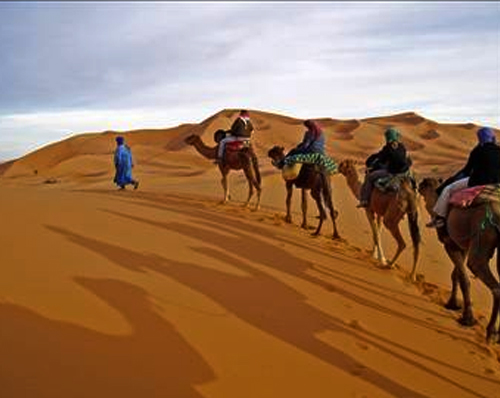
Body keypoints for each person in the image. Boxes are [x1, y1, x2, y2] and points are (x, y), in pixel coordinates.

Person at [427, 126, 500, 228]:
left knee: (448, 189)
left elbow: (467, 171)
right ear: (492, 137)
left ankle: (440, 219)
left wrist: (453, 179)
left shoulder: (477, 150)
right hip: (497, 184)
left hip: (477, 182)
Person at [357, 127, 412, 208]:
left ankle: (364, 200)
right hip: (404, 172)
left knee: (369, 177)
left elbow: (381, 160)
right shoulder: (402, 147)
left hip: (391, 173)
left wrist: (372, 167)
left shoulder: (387, 148)